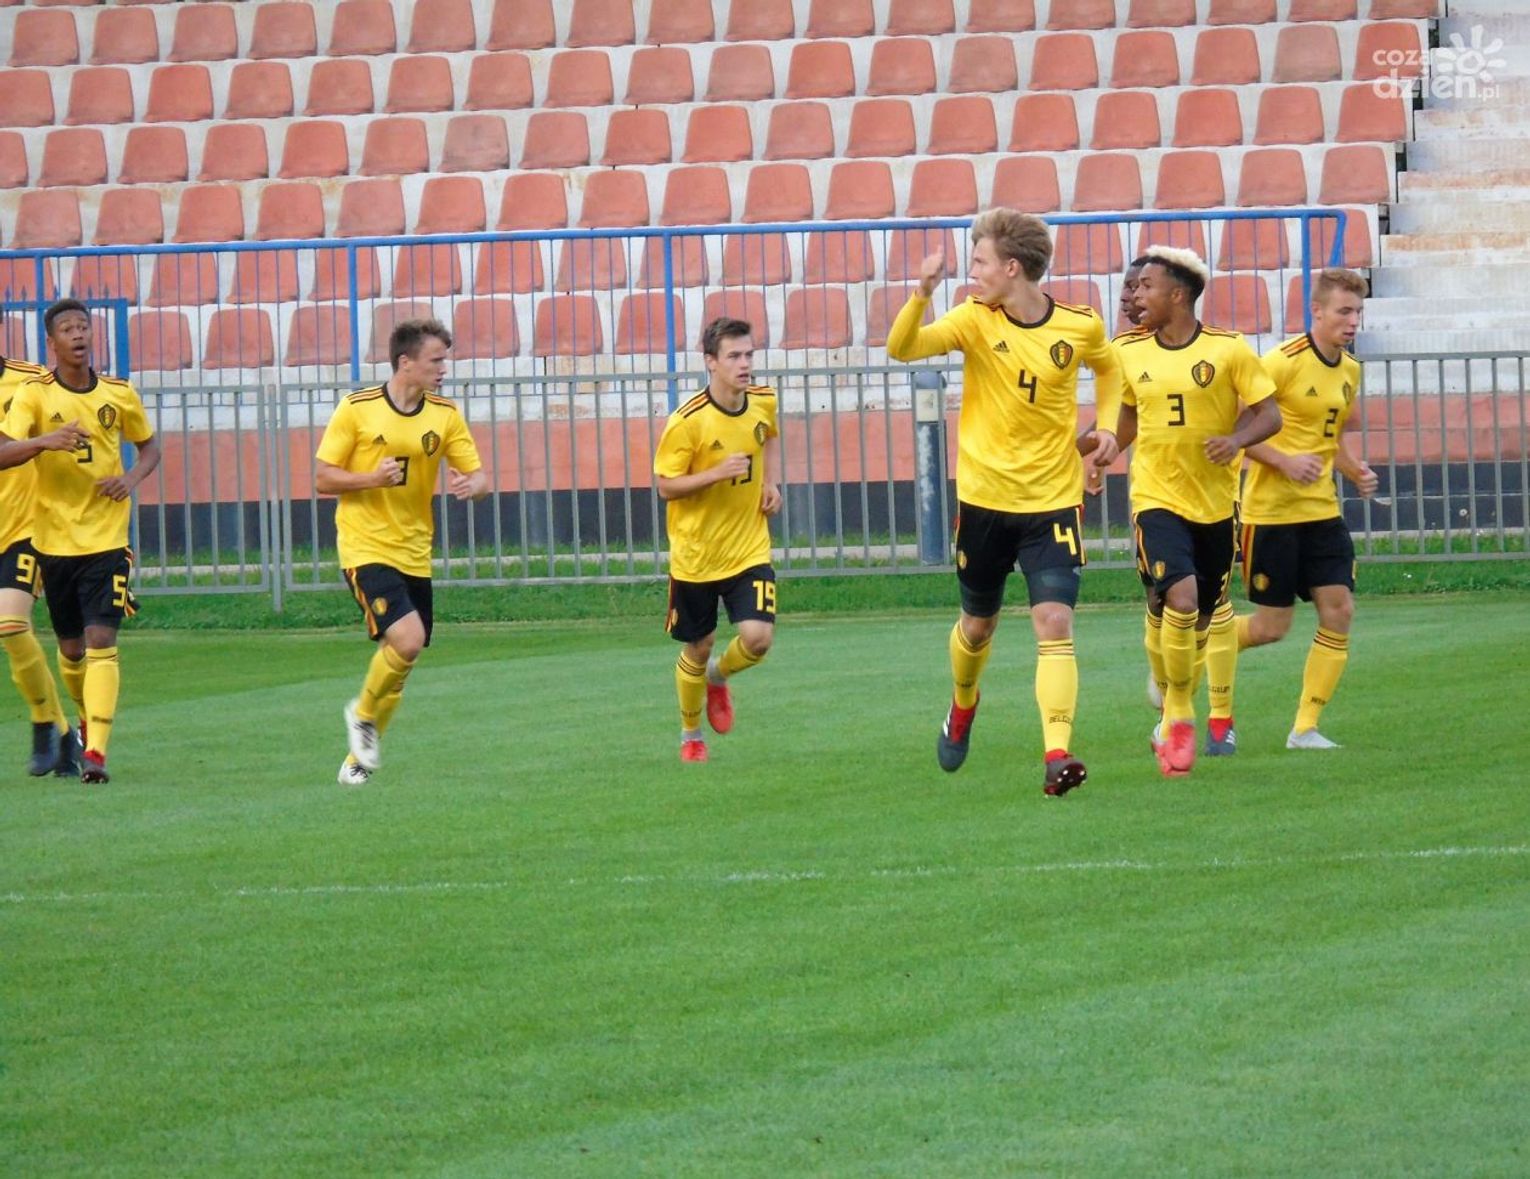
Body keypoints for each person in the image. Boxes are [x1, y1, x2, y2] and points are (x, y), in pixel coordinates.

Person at [887, 208, 1123, 796]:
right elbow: (902, 347)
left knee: (1054, 620)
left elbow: (1110, 369)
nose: (972, 272)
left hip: (1053, 501)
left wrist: (1108, 427)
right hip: (985, 503)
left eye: (980, 261)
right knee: (978, 626)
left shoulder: (1079, 325)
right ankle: (963, 702)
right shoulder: (973, 319)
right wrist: (921, 293)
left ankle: (1057, 754)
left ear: (1011, 267)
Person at [1115, 247, 1281, 778]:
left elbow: (1270, 415)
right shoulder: (1127, 351)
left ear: (1178, 295)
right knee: (1178, 599)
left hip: (1214, 504)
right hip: (1155, 498)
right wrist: (1099, 452)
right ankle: (1180, 714)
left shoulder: (1228, 350)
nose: (1136, 295)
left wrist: (1236, 440)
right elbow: (1125, 419)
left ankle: (1169, 698)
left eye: (1147, 286)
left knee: (1203, 618)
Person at [314, 318, 488, 786]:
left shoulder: (445, 415)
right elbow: (323, 477)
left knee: (402, 660)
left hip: (415, 549)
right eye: (436, 360)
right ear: (405, 362)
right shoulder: (357, 409)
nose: (444, 369)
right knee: (407, 640)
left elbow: (479, 476)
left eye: (445, 360)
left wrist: (473, 486)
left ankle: (356, 761)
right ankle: (362, 715)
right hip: (365, 544)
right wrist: (370, 478)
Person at [0, 299, 161, 784]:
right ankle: (68, 725)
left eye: (83, 327)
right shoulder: (36, 393)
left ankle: (86, 747)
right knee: (70, 650)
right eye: (68, 329)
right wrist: (43, 443)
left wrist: (128, 479)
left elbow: (149, 447)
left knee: (81, 636)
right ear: (53, 341)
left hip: (71, 533)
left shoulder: (51, 386)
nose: (78, 335)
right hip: (56, 543)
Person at [1235, 268, 1377, 749]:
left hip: (1322, 513)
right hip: (1271, 514)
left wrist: (1354, 471)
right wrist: (1283, 461)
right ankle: (1188, 650)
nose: (1353, 321)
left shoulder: (1350, 370)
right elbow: (1237, 431)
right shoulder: (1282, 361)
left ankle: (1305, 728)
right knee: (1270, 628)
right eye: (1344, 311)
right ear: (1316, 311)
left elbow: (1329, 437)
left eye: (1358, 312)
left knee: (1339, 610)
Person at [653, 317, 781, 764]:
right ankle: (691, 734)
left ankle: (719, 676)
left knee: (758, 638)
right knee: (698, 644)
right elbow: (665, 486)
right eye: (734, 356)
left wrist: (770, 482)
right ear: (710, 361)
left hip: (748, 548)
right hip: (697, 555)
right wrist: (715, 474)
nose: (744, 364)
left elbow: (767, 438)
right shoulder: (687, 422)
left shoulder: (763, 400)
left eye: (749, 355)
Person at [0, 347, 73, 775]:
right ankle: (63, 732)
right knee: (13, 636)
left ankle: (43, 723)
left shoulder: (32, 380)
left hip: (25, 528)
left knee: (11, 624)